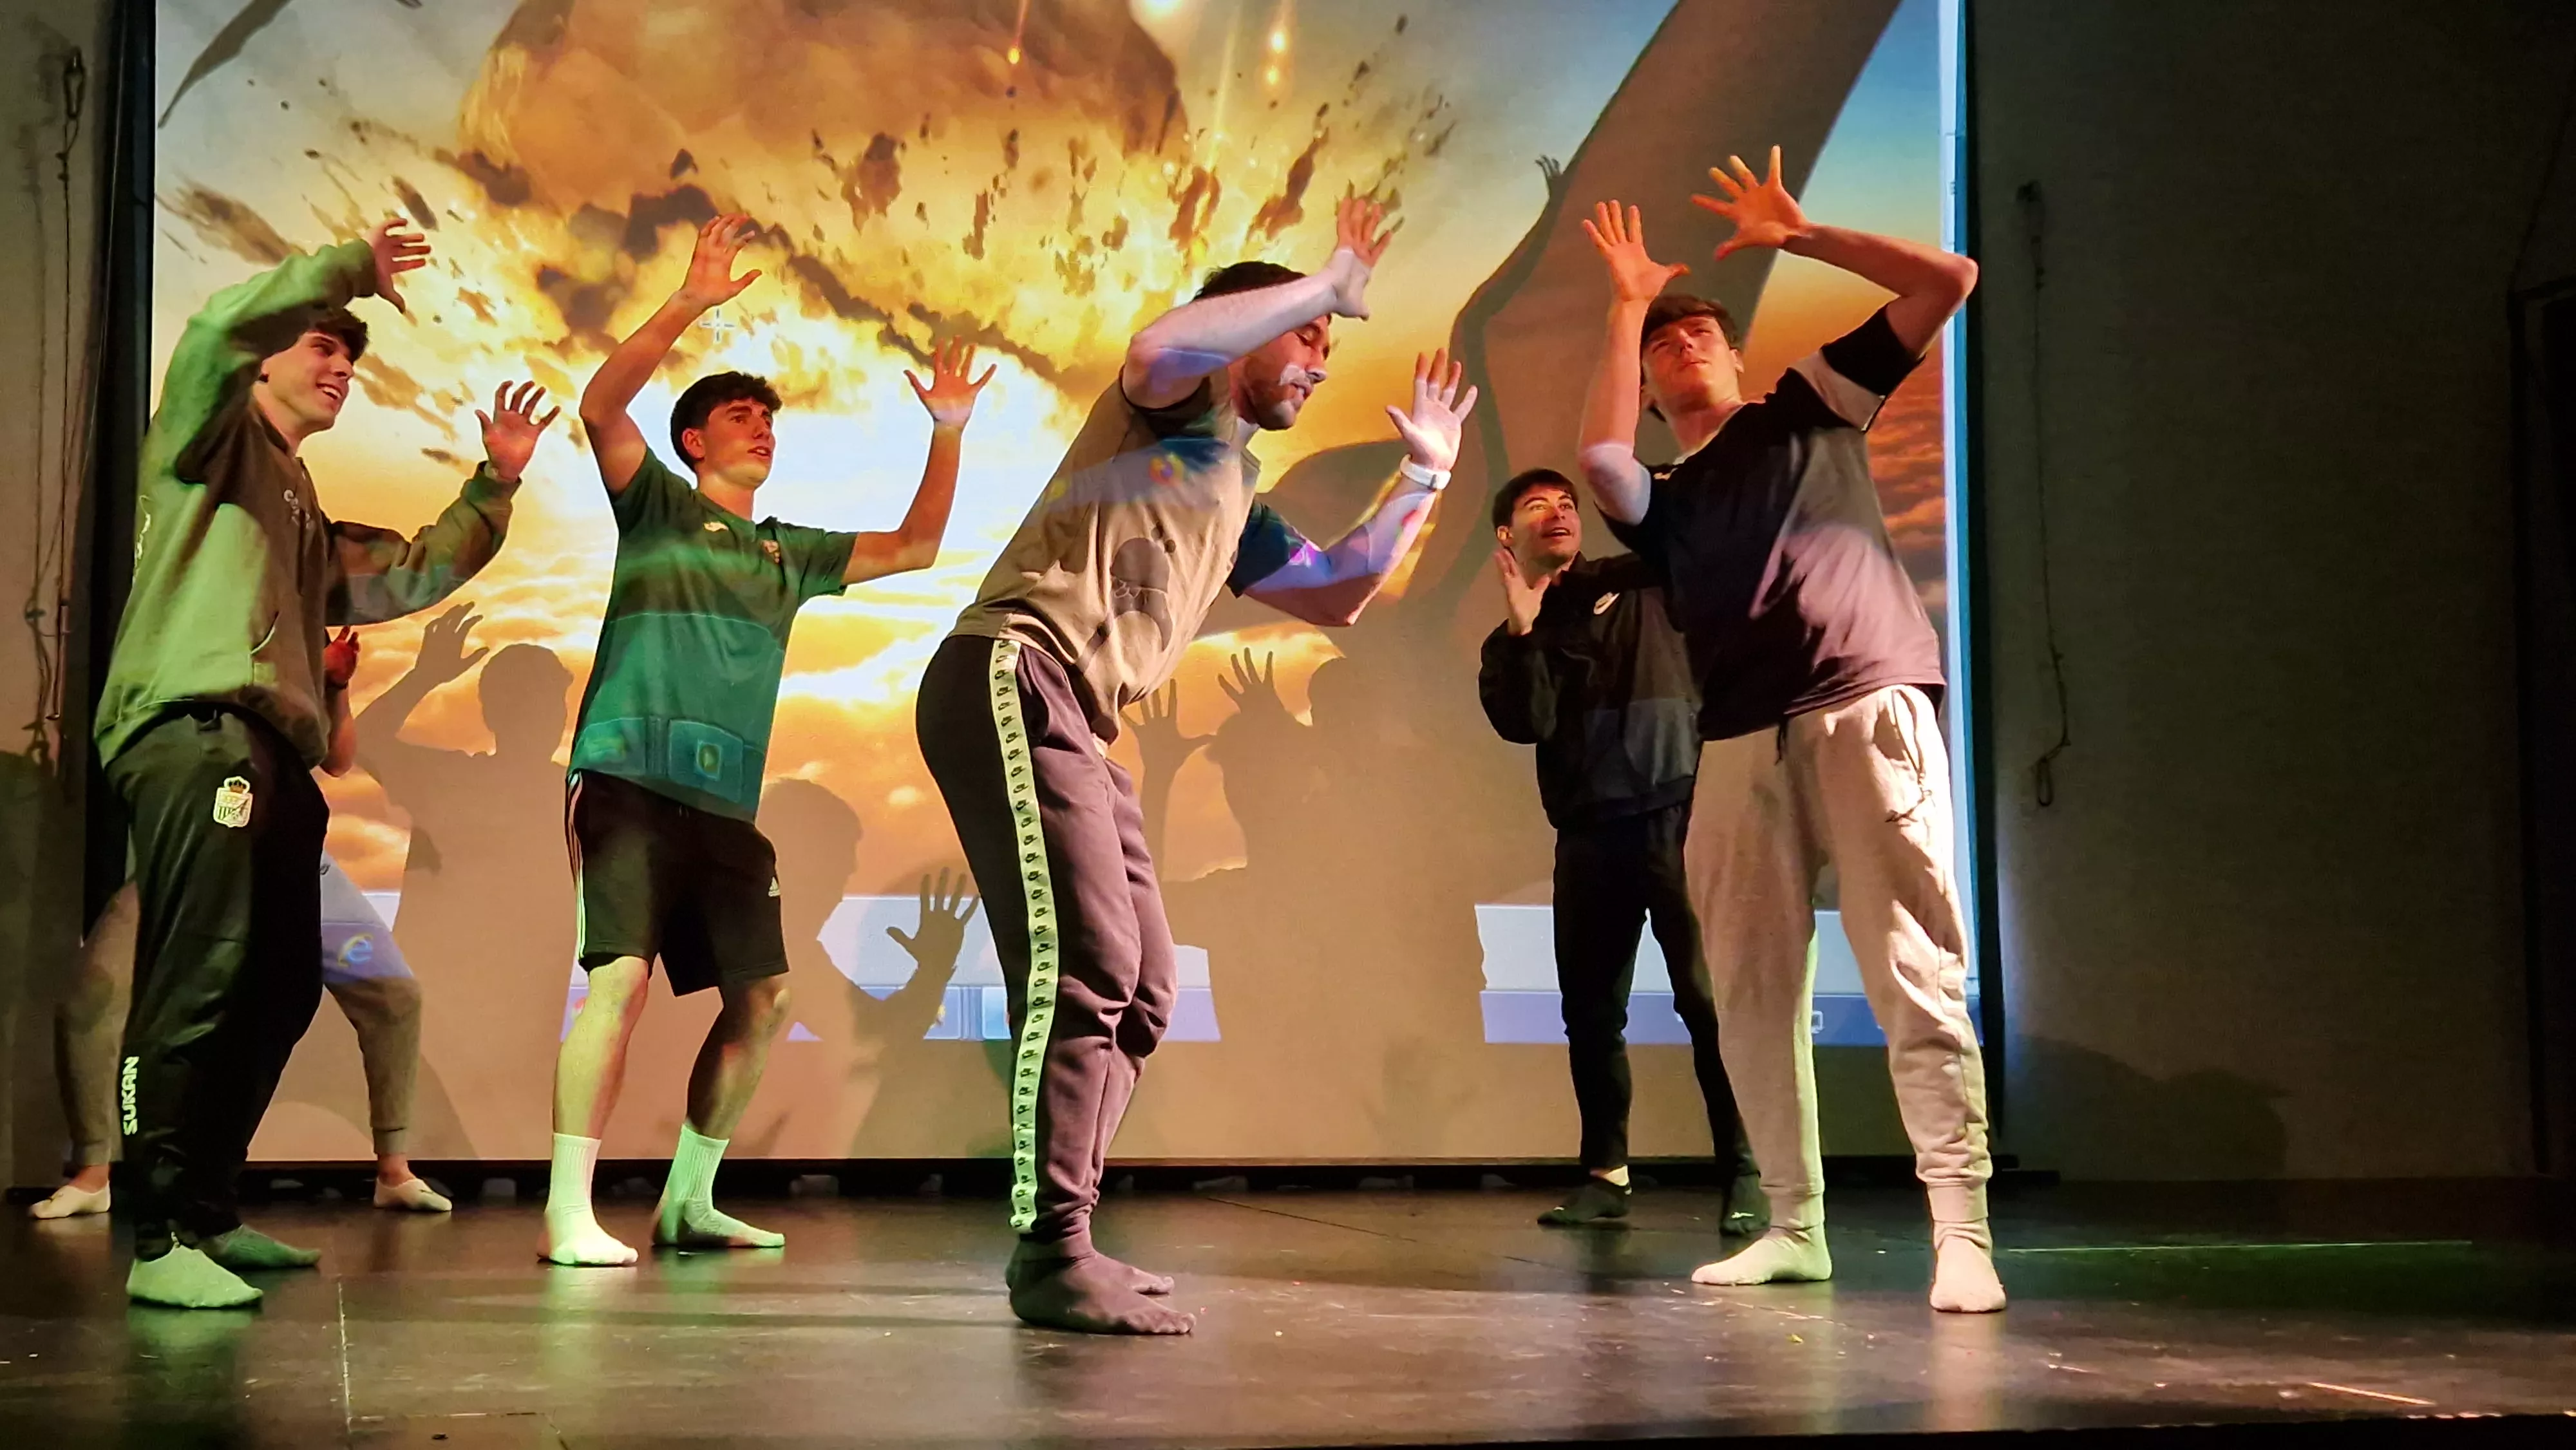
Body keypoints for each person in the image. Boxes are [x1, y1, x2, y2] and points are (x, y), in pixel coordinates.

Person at [916, 194, 1478, 1335]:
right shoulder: (1168, 408)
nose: (1321, 362)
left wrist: (1422, 480)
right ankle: (1052, 1252)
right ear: (1247, 323)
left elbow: (1341, 593)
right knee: (1085, 965)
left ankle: (1070, 1236)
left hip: (1083, 716)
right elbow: (1158, 347)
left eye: (1328, 342)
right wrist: (1323, 281)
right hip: (1011, 675)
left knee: (1148, 988)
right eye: (1307, 339)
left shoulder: (1234, 485)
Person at [93, 217, 549, 1308]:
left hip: (274, 753)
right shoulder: (205, 436)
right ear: (263, 360)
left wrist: (494, 482)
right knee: (198, 975)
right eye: (322, 348)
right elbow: (213, 323)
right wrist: (349, 270)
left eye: (352, 355)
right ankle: (157, 1235)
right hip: (198, 732)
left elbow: (404, 575)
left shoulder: (298, 498)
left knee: (282, 984)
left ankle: (207, 1208)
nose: (343, 366)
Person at [1573, 151, 2000, 1312]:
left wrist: (1802, 237)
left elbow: (1948, 277)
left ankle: (1960, 1231)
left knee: (1915, 973)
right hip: (1738, 746)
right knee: (1752, 994)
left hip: (1864, 707)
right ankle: (1794, 1224)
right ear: (1652, 387)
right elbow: (1602, 458)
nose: (1683, 346)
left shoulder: (1809, 405)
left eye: (1700, 333)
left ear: (1741, 356)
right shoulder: (1665, 497)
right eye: (1663, 348)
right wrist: (1623, 305)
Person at [541, 212, 994, 1267]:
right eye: (739, 416)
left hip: (724, 807)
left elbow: (922, 546)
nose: (761, 428)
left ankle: (686, 1201)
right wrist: (692, 300)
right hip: (625, 776)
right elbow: (602, 403)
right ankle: (570, 1208)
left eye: (767, 420)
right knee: (620, 980)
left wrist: (952, 429)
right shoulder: (654, 505)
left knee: (767, 995)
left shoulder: (791, 552)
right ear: (696, 440)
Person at [1477, 468, 1759, 1230]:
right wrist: (1522, 627)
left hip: (1678, 816)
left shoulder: (1636, 579)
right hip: (1590, 833)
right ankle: (1606, 1174)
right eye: (1537, 505)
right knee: (1591, 1012)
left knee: (1708, 1004)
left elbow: (1690, 548)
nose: (1558, 511)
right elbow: (1526, 722)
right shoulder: (1510, 639)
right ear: (1507, 535)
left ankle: (1746, 1170)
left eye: (1566, 502)